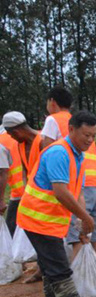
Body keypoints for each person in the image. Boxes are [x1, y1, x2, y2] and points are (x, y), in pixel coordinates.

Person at [16, 110, 96, 297]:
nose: (90, 140)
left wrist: (82, 224)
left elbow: (78, 191)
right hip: (37, 220)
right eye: (86, 135)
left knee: (50, 268)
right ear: (71, 129)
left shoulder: (78, 156)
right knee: (61, 270)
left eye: (94, 136)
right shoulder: (58, 153)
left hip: (50, 221)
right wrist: (84, 217)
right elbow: (61, 192)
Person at [40, 86, 96, 264]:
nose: (90, 139)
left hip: (77, 182)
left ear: (52, 102)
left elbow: (47, 152)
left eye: (93, 136)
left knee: (77, 233)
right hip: (95, 181)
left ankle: (78, 279)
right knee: (95, 234)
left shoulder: (55, 121)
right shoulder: (81, 123)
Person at [3, 111, 43, 281]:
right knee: (34, 231)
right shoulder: (20, 145)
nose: (11, 138)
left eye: (11, 134)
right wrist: (28, 193)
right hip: (31, 194)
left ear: (17, 131)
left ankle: (46, 270)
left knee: (46, 233)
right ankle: (41, 269)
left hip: (46, 196)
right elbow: (26, 170)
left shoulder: (43, 140)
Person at [0, 124, 24, 234]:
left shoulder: (1, 141)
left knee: (12, 229)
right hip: (30, 188)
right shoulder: (13, 136)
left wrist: (1, 200)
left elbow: (2, 173)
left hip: (18, 191)